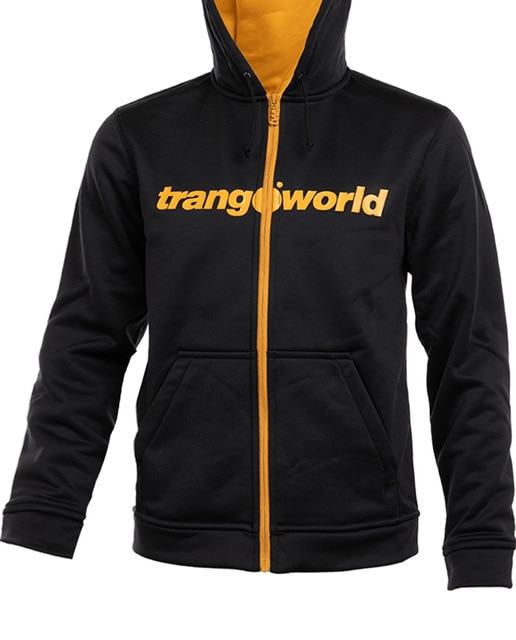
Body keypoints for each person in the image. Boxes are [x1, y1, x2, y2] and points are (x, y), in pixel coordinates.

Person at [1, 0, 514, 590]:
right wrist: (43, 516)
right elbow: (86, 338)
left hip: (364, 556)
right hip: (175, 559)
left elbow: (468, 348)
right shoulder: (139, 137)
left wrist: (481, 544)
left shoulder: (416, 136)